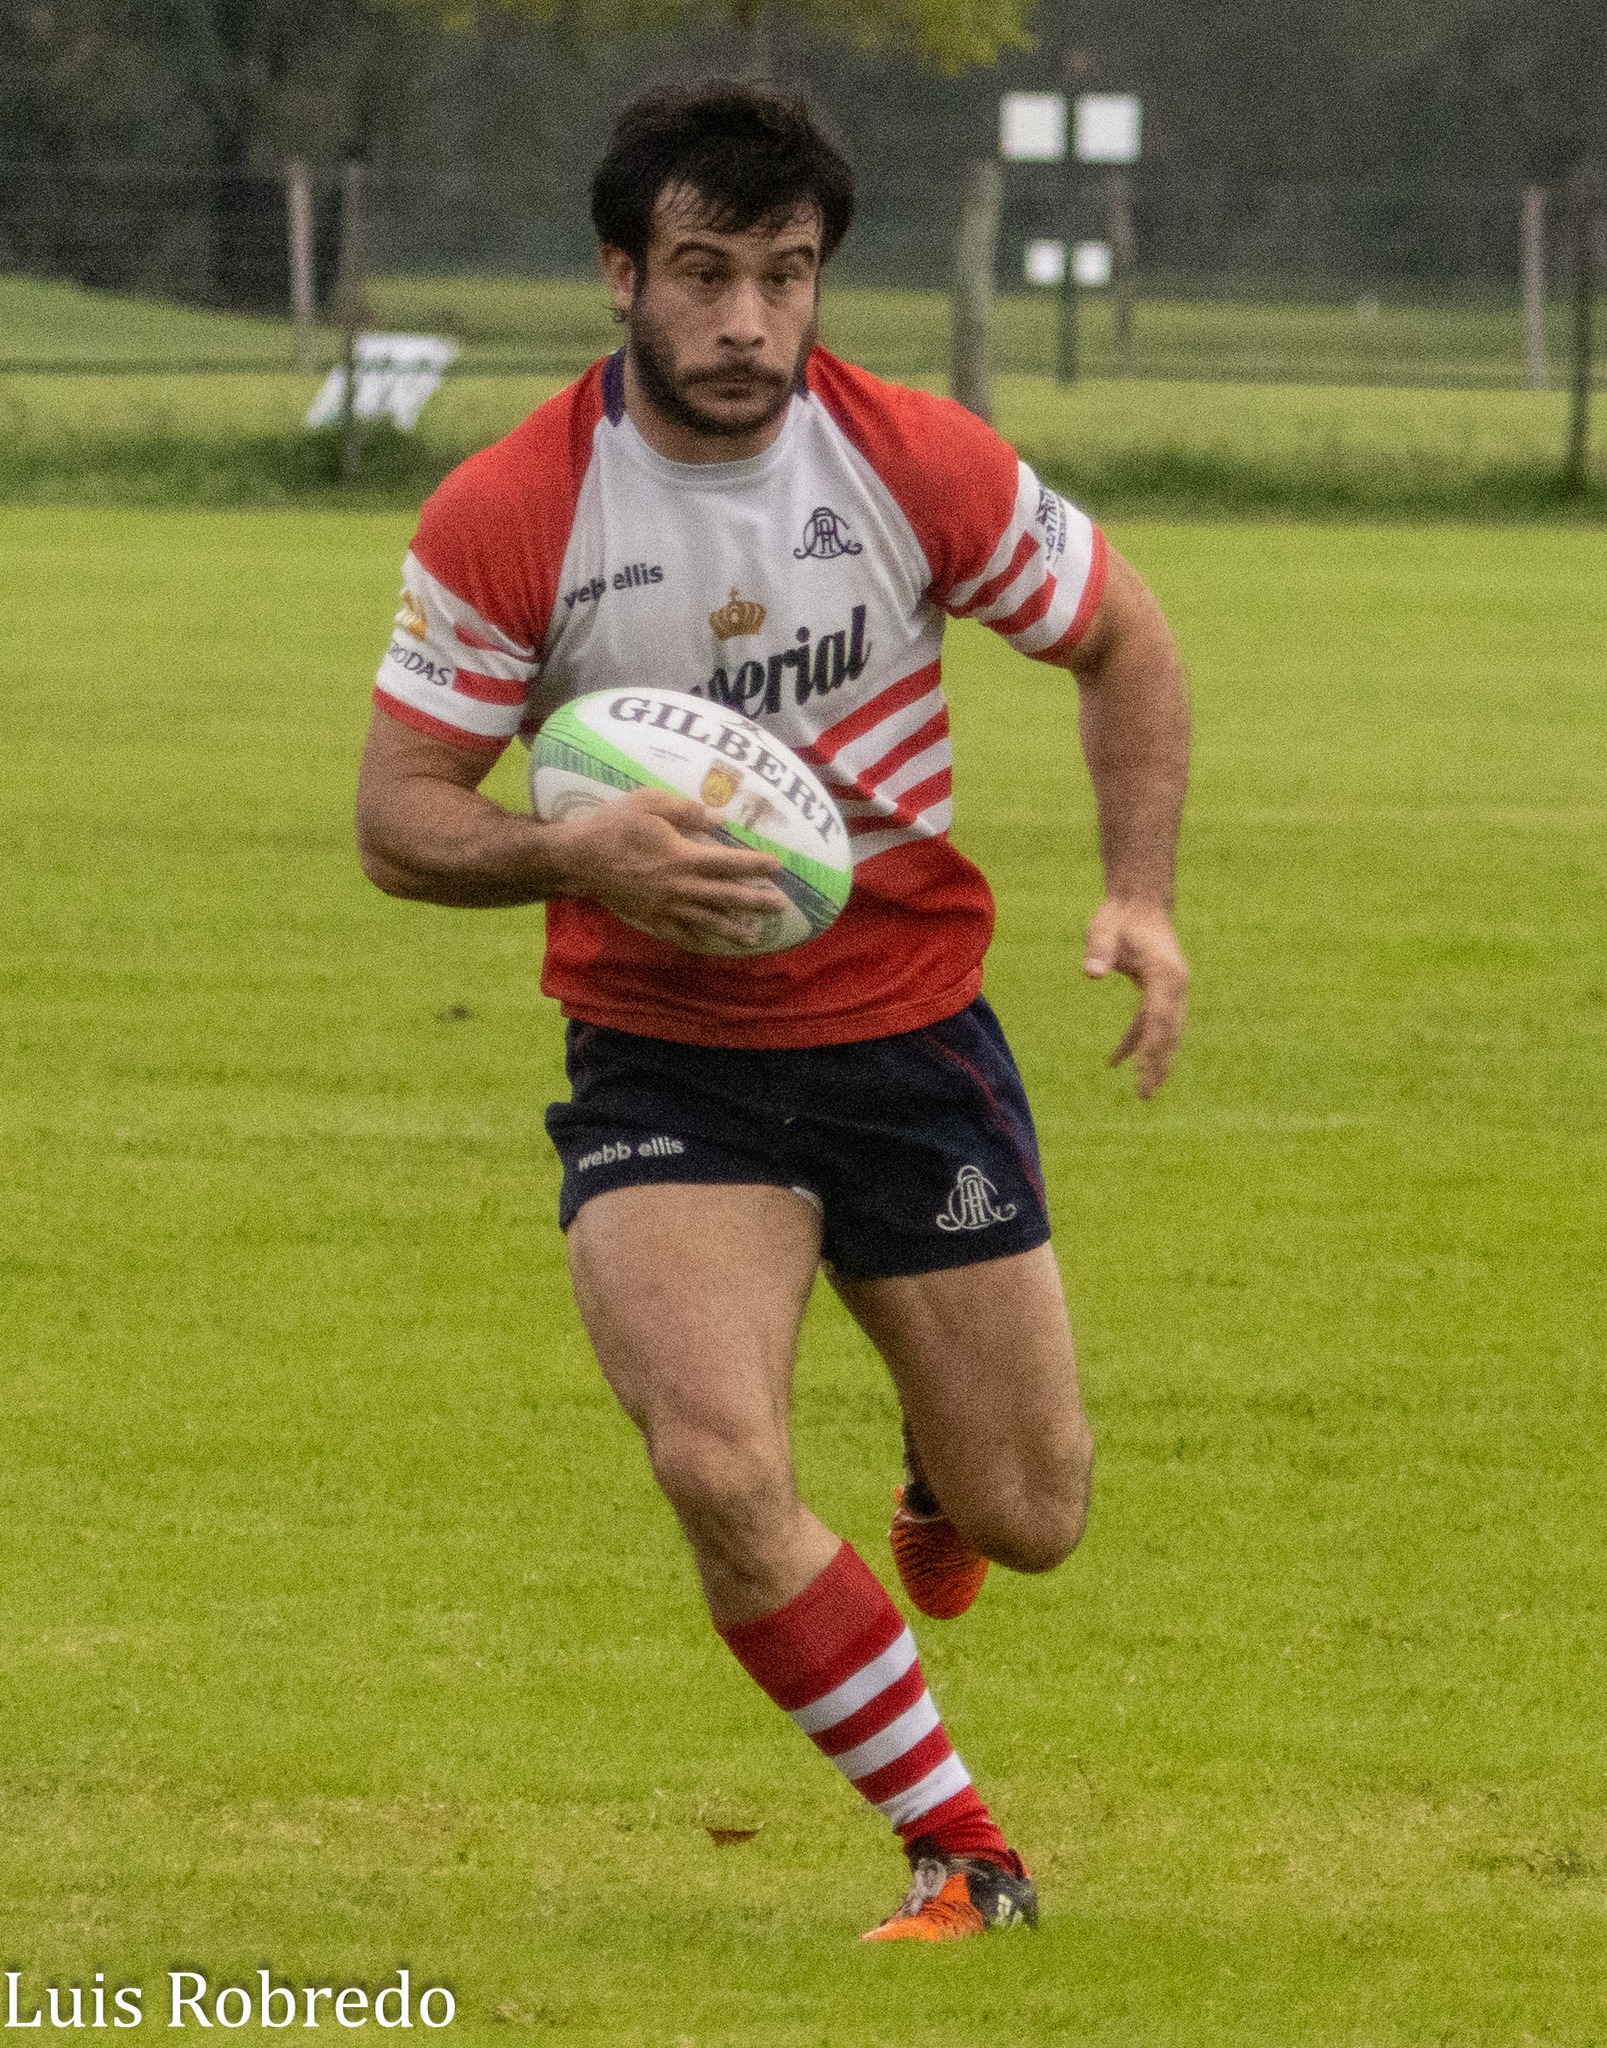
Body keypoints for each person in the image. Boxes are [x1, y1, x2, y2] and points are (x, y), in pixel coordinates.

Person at [355, 80, 1189, 1943]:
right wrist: (585, 864)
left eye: (785, 275)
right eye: (705, 272)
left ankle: (938, 1473)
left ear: (821, 283)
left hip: (909, 1039)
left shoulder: (913, 460)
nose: (745, 320)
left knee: (1033, 1514)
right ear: (622, 276)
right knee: (719, 1464)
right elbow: (399, 819)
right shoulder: (516, 509)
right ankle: (963, 1851)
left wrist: (1135, 897)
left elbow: (1123, 634)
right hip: (668, 1064)